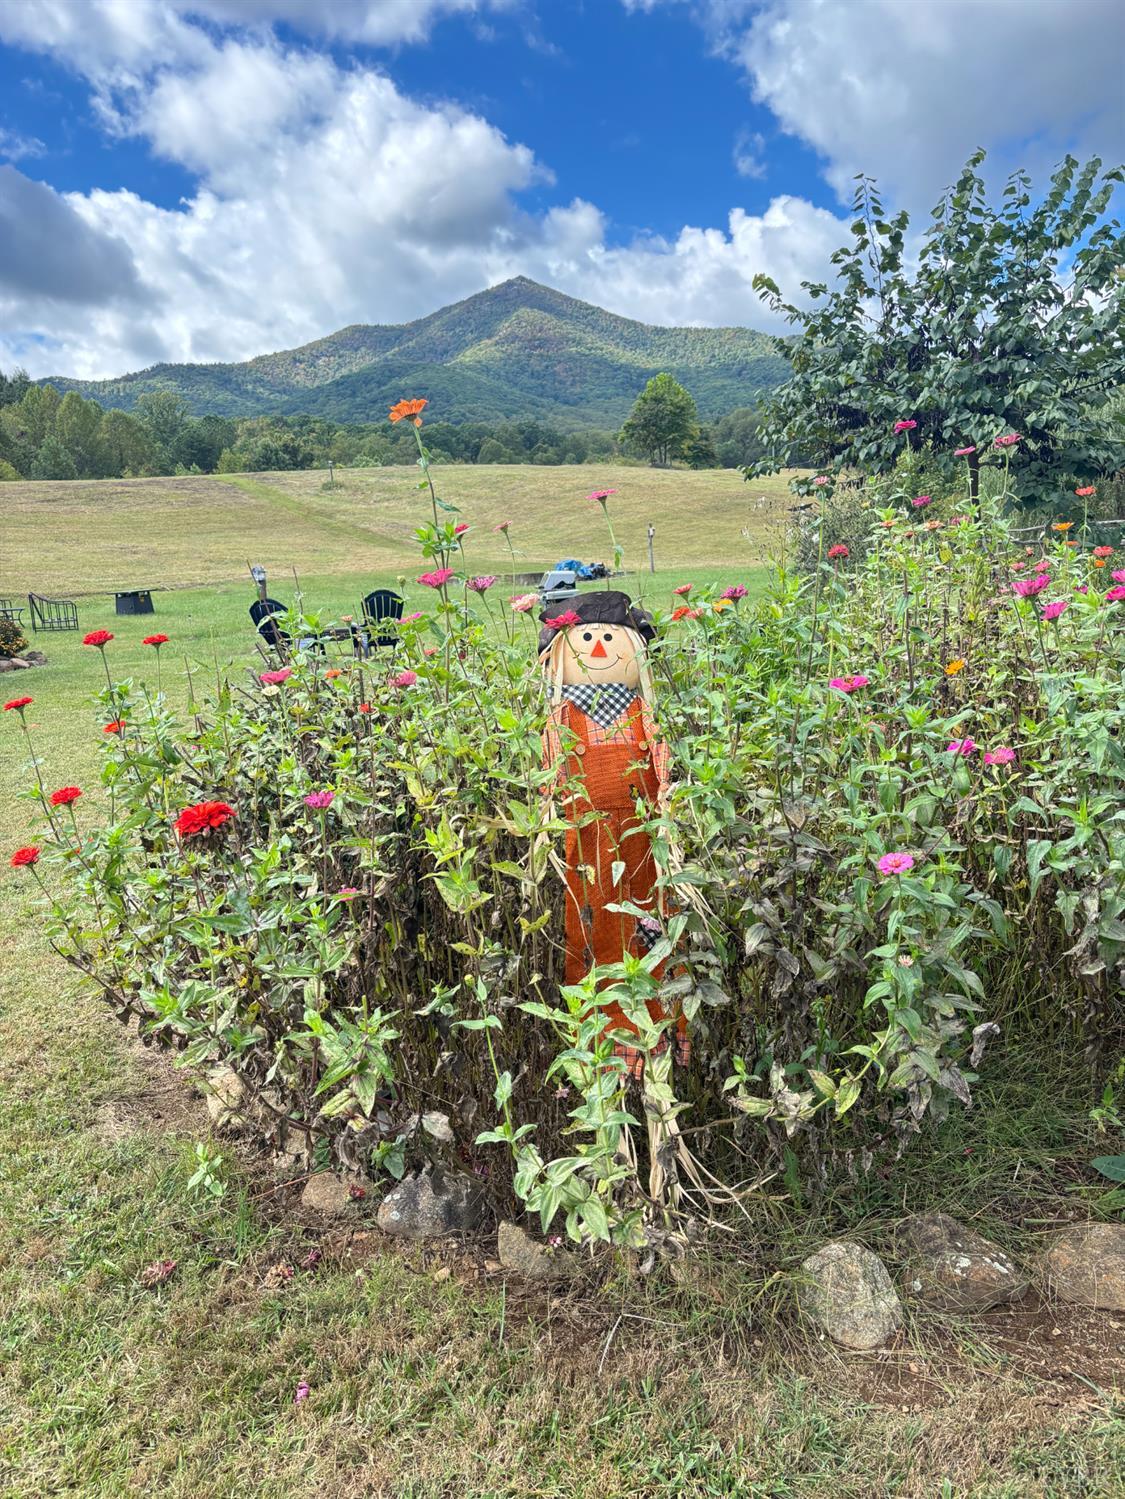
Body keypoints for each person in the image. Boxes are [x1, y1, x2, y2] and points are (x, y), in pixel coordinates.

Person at [538, 590, 688, 1078]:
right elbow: (551, 771)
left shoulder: (642, 712)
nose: (599, 648)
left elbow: (663, 759)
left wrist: (669, 795)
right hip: (585, 839)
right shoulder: (562, 716)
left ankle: (660, 1035)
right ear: (562, 650)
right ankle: (601, 1043)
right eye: (586, 639)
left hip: (645, 838)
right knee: (592, 927)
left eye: (608, 637)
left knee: (652, 926)